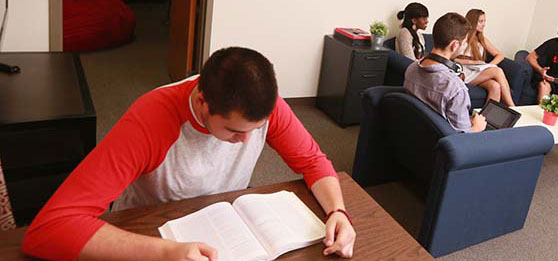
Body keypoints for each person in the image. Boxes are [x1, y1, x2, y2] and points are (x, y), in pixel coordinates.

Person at [22, 47, 356, 261]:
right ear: (201, 102)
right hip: (150, 231)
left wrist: (337, 212)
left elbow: (312, 161)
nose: (246, 142)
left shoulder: (263, 108)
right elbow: (50, 229)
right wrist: (166, 252)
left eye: (256, 129)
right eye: (235, 131)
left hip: (221, 225)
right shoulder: (150, 119)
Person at [404, 12, 486, 133]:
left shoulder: (411, 69)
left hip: (414, 135)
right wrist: (476, 127)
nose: (463, 46)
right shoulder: (455, 88)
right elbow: (462, 139)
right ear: (454, 45)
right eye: (463, 43)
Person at [454, 9, 516, 106]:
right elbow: (452, 58)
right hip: (464, 71)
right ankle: (512, 107)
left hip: (477, 71)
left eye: (484, 21)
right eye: (480, 21)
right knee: (497, 71)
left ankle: (486, 118)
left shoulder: (481, 39)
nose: (484, 24)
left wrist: (488, 66)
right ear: (473, 22)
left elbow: (500, 56)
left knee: (495, 86)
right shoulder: (462, 37)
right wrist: (471, 63)